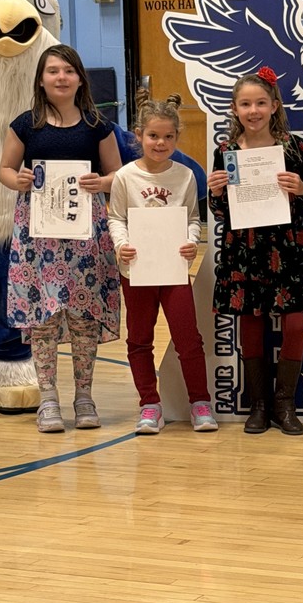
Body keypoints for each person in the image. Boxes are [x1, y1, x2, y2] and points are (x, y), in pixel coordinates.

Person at [0, 44, 121, 433]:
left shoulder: (97, 125)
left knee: (84, 318)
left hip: (86, 237)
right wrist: (15, 179)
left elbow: (118, 174)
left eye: (68, 71)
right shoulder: (25, 124)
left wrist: (101, 182)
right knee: (44, 319)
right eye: (53, 71)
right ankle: (47, 399)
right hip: (38, 238)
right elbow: (4, 169)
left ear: (80, 78)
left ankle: (84, 397)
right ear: (41, 79)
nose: (61, 77)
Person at [207, 67, 303, 436]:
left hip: (286, 247)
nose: (253, 110)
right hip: (244, 249)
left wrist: (301, 187)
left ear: (274, 105)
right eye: (245, 104)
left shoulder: (292, 147)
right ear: (235, 109)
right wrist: (217, 192)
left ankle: (284, 403)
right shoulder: (224, 151)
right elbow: (220, 212)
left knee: (295, 322)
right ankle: (258, 404)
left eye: (260, 102)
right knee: (250, 322)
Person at [107, 90, 216, 435]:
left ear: (176, 138)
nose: (160, 142)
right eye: (153, 136)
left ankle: (200, 403)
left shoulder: (184, 176)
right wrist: (122, 245)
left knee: (188, 338)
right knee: (139, 339)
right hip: (136, 269)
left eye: (169, 136)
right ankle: (149, 405)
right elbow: (116, 218)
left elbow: (193, 219)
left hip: (173, 269)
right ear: (138, 136)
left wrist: (191, 241)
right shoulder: (125, 177)